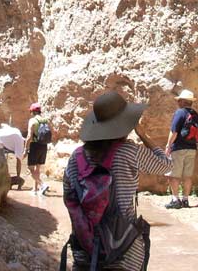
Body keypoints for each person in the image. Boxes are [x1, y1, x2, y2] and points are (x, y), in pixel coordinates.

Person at [63, 90, 171, 271]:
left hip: (84, 251)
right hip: (123, 250)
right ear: (124, 124)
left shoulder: (77, 157)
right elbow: (167, 165)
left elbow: (69, 197)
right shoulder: (129, 151)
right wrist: (143, 135)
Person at [164, 88, 198, 209]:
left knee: (174, 175)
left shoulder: (180, 112)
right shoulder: (196, 115)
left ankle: (175, 200)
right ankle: (185, 200)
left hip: (179, 148)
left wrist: (168, 146)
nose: (178, 102)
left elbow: (174, 132)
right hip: (192, 148)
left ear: (182, 101)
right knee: (187, 176)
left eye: (179, 100)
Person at [0, 122, 26, 188]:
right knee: (1, 161)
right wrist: (18, 176)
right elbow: (18, 161)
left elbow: (3, 125)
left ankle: (1, 177)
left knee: (0, 160)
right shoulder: (20, 143)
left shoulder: (17, 131)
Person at [27, 101, 51, 195]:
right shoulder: (45, 120)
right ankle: (36, 189)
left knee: (30, 168)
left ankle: (42, 185)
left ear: (32, 112)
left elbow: (29, 136)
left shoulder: (32, 121)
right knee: (38, 168)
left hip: (35, 145)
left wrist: (26, 148)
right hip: (44, 145)